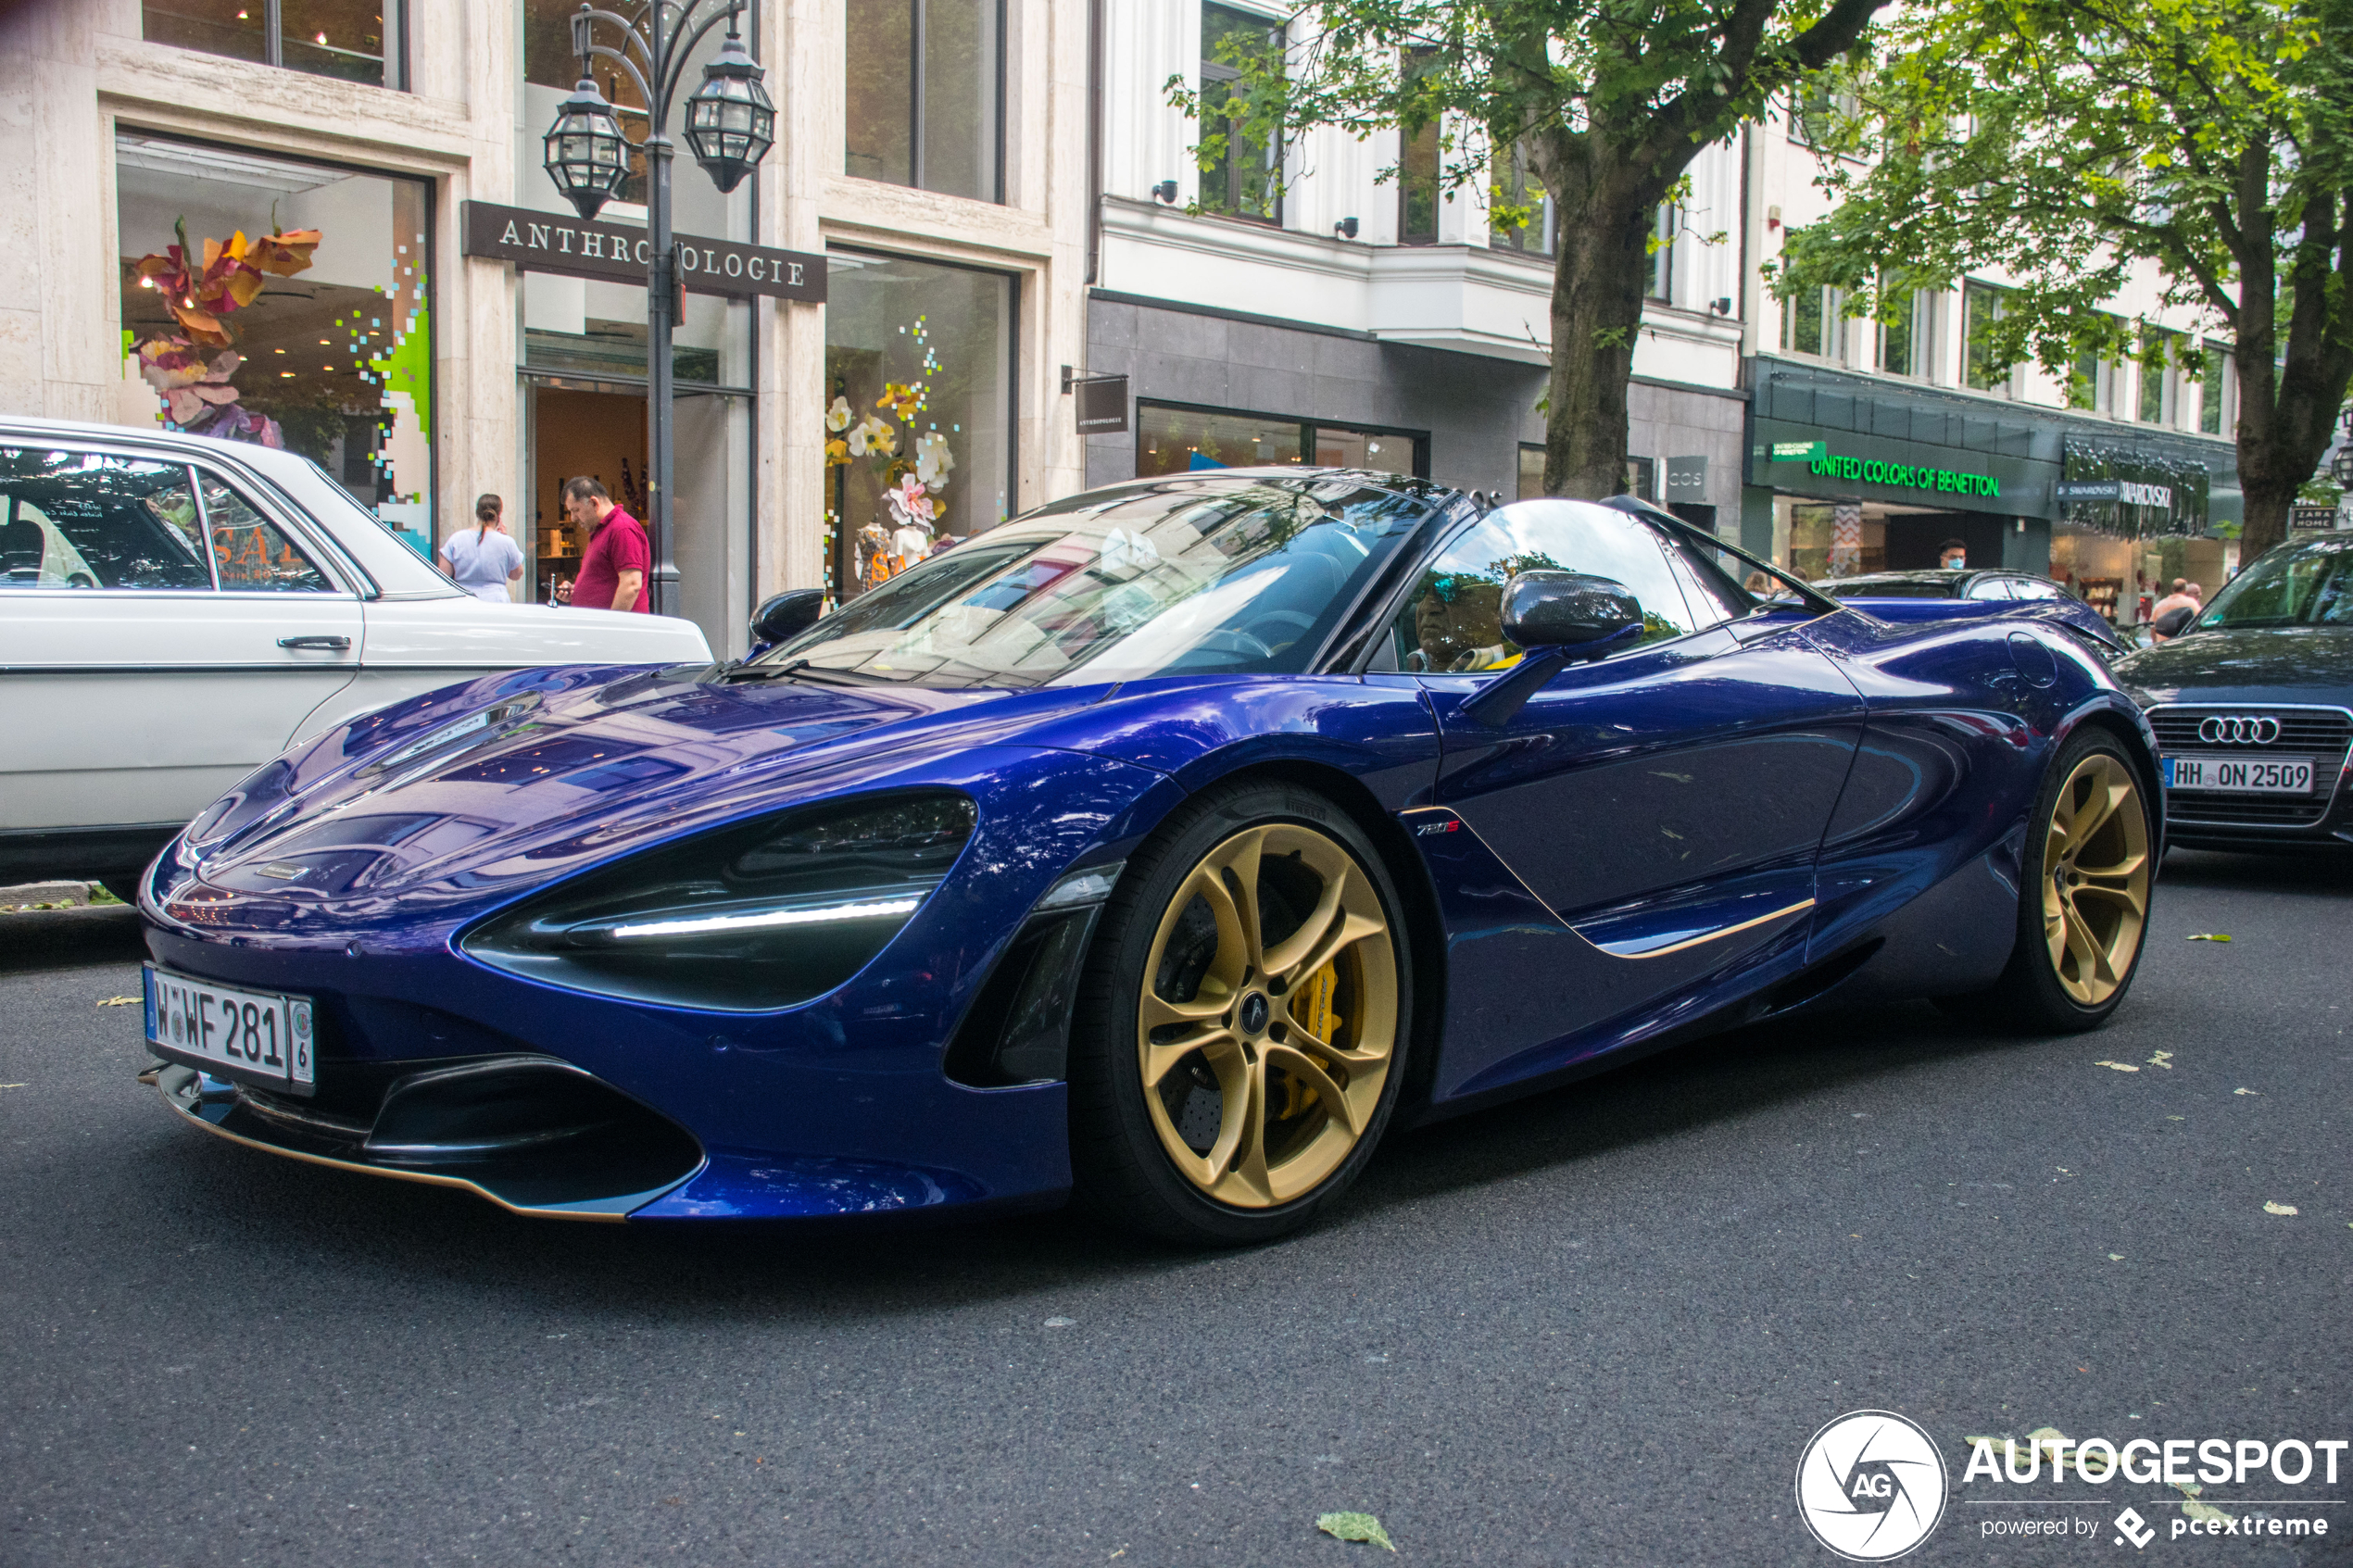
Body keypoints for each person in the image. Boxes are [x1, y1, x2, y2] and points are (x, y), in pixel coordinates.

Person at [562, 475, 649, 613]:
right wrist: (577, 591)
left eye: (576, 510)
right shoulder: (602, 531)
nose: (573, 518)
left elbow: (631, 585)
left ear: (594, 503)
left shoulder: (622, 528)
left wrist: (611, 625)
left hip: (618, 630)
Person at [438, 493, 526, 603]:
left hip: (464, 598)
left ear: (477, 513)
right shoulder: (507, 542)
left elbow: (442, 574)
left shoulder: (457, 539)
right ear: (499, 515)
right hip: (496, 599)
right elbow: (516, 575)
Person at [2148, 578, 2202, 642]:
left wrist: (2155, 644)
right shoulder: (2191, 603)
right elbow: (2200, 621)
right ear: (2185, 590)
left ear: (2172, 589)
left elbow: (2152, 627)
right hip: (2183, 644)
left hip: (2162, 645)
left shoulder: (2160, 604)